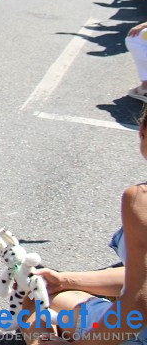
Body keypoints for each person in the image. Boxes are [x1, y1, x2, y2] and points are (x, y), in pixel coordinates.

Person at [16, 103, 147, 344]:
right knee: (54, 292)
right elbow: (141, 277)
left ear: (142, 130)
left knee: (33, 303)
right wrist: (65, 279)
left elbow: (138, 304)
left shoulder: (141, 199)